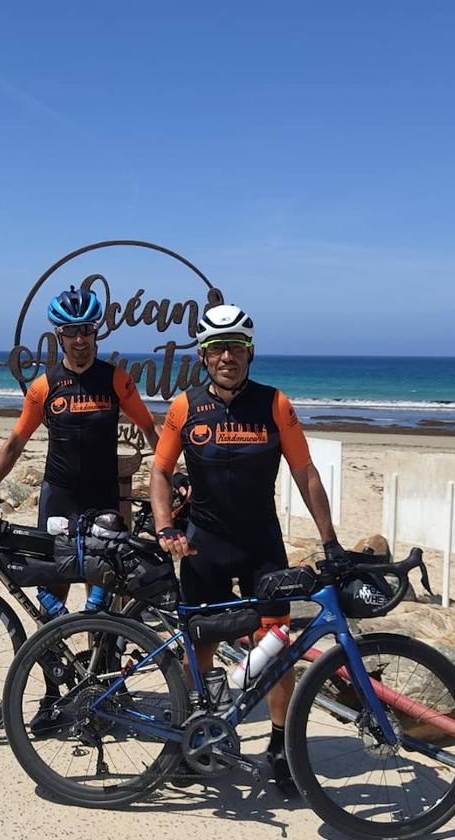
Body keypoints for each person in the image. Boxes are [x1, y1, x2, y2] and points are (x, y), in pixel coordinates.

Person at [150, 303, 340, 797]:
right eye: (216, 348)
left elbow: (305, 472)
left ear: (250, 351)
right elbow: (161, 472)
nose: (226, 356)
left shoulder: (275, 404)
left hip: (261, 544)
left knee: (276, 645)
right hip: (203, 544)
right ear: (204, 356)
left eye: (235, 346)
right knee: (202, 644)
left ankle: (280, 745)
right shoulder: (185, 407)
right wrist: (165, 525)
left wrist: (330, 541)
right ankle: (203, 736)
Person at [0, 285, 159, 730]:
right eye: (70, 333)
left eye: (86, 331)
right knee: (50, 600)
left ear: (95, 333)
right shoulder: (45, 387)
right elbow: (17, 441)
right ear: (58, 336)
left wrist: (171, 476)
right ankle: (51, 693)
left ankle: (102, 693)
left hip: (102, 500)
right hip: (58, 498)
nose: (79, 340)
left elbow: (151, 427)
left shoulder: (116, 379)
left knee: (104, 600)